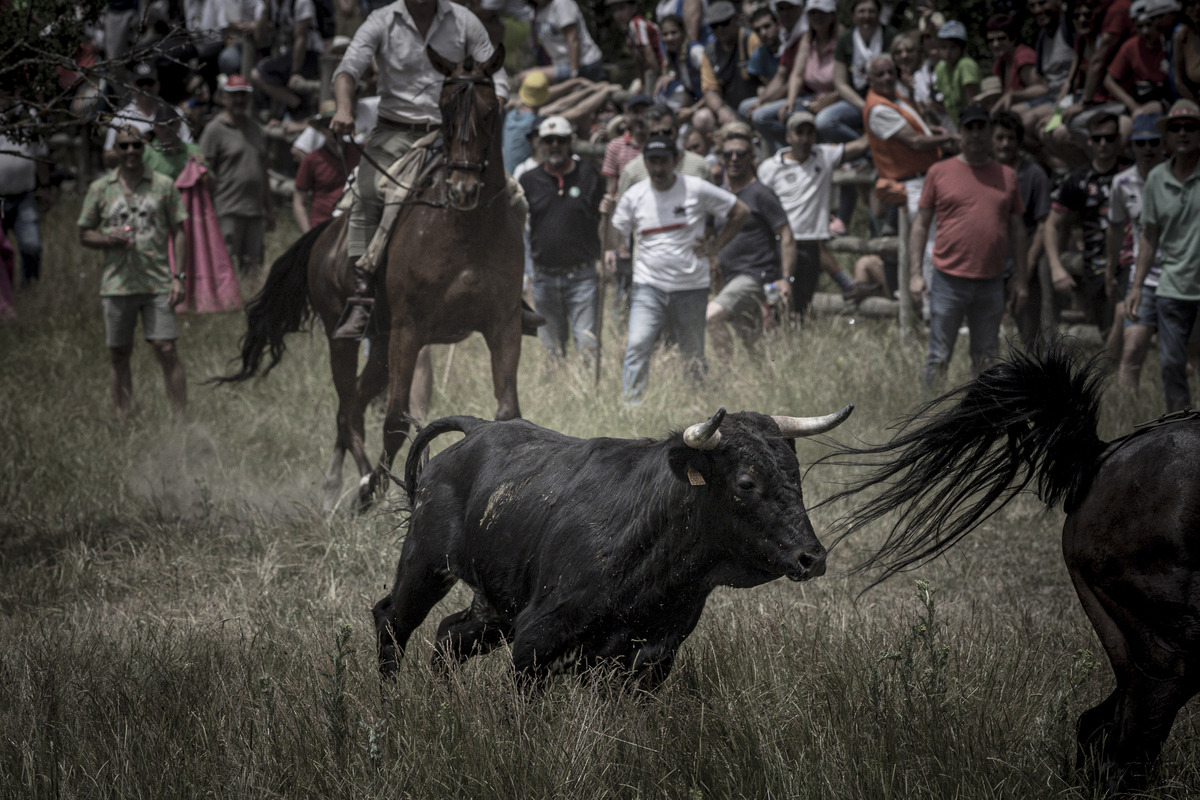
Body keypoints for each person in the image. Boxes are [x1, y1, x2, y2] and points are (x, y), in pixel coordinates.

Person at [328, 0, 509, 340]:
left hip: (456, 132)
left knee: (512, 195)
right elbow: (348, 69)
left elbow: (496, 72)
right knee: (366, 194)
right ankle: (362, 296)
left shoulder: (464, 20)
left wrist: (493, 103)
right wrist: (343, 108)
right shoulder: (381, 21)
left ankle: (510, 293)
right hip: (396, 130)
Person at [611, 135, 749, 404]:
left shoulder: (696, 188)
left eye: (663, 161)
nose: (658, 169)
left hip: (691, 286)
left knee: (692, 351)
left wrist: (716, 246)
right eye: (652, 162)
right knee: (638, 344)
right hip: (648, 285)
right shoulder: (634, 195)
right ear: (645, 162)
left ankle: (698, 405)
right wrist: (606, 214)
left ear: (675, 160)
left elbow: (740, 211)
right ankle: (631, 406)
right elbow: (614, 237)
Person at [909, 104, 1027, 389]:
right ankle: (929, 416)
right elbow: (921, 224)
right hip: (949, 280)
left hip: (991, 281)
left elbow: (1017, 229)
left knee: (987, 359)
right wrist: (915, 274)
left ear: (989, 132)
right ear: (959, 134)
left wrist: (1021, 277)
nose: (975, 135)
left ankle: (981, 417)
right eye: (969, 129)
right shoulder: (939, 171)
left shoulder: (1007, 175)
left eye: (981, 128)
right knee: (938, 356)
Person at [78, 127, 188, 417]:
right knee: (119, 352)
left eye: (136, 147)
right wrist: (107, 239)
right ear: (115, 150)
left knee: (166, 348)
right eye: (124, 147)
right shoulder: (101, 188)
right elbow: (84, 233)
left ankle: (181, 418)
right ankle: (122, 415)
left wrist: (180, 277)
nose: (130, 152)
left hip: (157, 281)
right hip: (117, 283)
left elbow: (179, 230)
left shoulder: (163, 185)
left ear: (144, 149)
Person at [756, 111, 869, 317]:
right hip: (779, 243)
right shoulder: (770, 168)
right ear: (788, 137)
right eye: (799, 133)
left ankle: (795, 344)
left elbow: (860, 146)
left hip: (809, 245)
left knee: (801, 305)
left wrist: (876, 119)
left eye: (810, 133)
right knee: (775, 304)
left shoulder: (823, 155)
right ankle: (773, 344)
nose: (805, 139)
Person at [1127, 100, 1200, 411]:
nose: (1183, 133)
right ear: (1167, 136)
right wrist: (1137, 285)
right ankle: (1179, 431)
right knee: (1171, 363)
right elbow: (1149, 237)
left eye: (1190, 127)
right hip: (1170, 286)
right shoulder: (1157, 178)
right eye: (1175, 127)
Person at [519, 116, 605, 363]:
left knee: (587, 346)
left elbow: (605, 219)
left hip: (583, 277)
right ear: (539, 144)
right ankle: (556, 397)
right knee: (551, 353)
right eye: (548, 140)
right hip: (544, 278)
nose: (554, 145)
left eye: (561, 140)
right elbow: (520, 228)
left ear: (570, 142)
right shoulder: (528, 180)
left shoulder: (589, 175)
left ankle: (589, 398)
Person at [706, 124, 794, 357]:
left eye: (741, 154)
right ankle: (760, 383)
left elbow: (786, 234)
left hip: (756, 275)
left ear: (752, 158)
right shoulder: (720, 195)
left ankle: (725, 377)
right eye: (728, 154)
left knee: (712, 316)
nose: (734, 159)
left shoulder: (761, 193)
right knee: (754, 344)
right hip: (727, 276)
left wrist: (785, 278)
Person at [1044, 112, 1128, 339]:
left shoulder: (1134, 173)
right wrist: (1056, 268)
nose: (1103, 144)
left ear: (1119, 139)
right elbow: (1052, 225)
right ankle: (1111, 372)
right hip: (1097, 264)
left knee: (1127, 326)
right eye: (1098, 138)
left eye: (1110, 138)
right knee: (1109, 332)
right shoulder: (1078, 179)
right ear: (1088, 141)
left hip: (1131, 260)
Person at [1108, 112, 1166, 390]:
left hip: (1183, 276)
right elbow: (1116, 229)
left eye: (1154, 142)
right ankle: (1128, 422)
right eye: (1141, 143)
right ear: (1131, 146)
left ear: (1163, 144)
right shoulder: (1121, 183)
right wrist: (1110, 269)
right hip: (1143, 276)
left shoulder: (1180, 178)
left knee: (1187, 359)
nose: (1148, 149)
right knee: (1132, 350)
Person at [199, 74, 274, 277]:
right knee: (224, 266)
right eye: (234, 96)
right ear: (224, 98)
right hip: (227, 209)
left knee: (253, 268)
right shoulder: (215, 130)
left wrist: (269, 209)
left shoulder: (256, 129)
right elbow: (203, 170)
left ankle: (247, 304)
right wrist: (205, 210)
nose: (239, 100)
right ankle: (223, 307)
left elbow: (263, 172)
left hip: (255, 211)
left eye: (243, 95)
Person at [991, 109, 1052, 346]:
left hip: (1024, 264)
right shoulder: (982, 172)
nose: (1005, 144)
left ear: (1019, 141)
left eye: (1010, 138)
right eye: (999, 137)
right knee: (986, 336)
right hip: (989, 268)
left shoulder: (1033, 174)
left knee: (1030, 335)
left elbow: (1043, 224)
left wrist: (1024, 269)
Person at [104, 63, 196, 167]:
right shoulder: (119, 118)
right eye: (140, 83)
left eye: (149, 82)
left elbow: (189, 146)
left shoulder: (175, 113)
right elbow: (108, 158)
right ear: (131, 85)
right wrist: (136, 143)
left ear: (158, 84)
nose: (145, 87)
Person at [0, 102, 49, 287]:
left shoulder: (29, 115)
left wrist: (45, 186)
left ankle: (31, 288)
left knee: (32, 245)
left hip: (24, 195)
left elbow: (41, 153)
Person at [250, 0, 325, 119]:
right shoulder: (269, 6)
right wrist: (265, 10)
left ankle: (299, 106)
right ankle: (298, 105)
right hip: (286, 56)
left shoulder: (301, 2)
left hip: (310, 54)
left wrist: (295, 72)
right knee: (258, 74)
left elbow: (301, 39)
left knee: (258, 73)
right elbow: (258, 36)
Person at [293, 103, 361, 232]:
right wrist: (308, 236)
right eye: (326, 125)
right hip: (322, 226)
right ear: (320, 129)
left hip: (354, 224)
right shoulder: (312, 159)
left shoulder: (359, 152)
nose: (332, 129)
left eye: (337, 124)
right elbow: (298, 202)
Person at [524, 0, 607, 85]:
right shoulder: (537, 11)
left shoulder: (561, 3)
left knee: (527, 76)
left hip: (583, 64)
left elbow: (573, 39)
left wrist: (574, 74)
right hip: (560, 64)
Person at [931, 21, 981, 130]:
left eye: (953, 47)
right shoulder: (940, 68)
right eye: (944, 47)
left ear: (963, 49)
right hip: (955, 124)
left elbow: (972, 103)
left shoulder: (966, 65)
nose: (948, 53)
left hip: (973, 124)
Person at [607, 0, 664, 92]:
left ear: (634, 7)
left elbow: (649, 55)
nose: (618, 14)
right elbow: (637, 57)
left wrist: (661, 75)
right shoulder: (629, 29)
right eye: (614, 10)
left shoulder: (637, 23)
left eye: (622, 8)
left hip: (660, 68)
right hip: (650, 70)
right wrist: (643, 83)